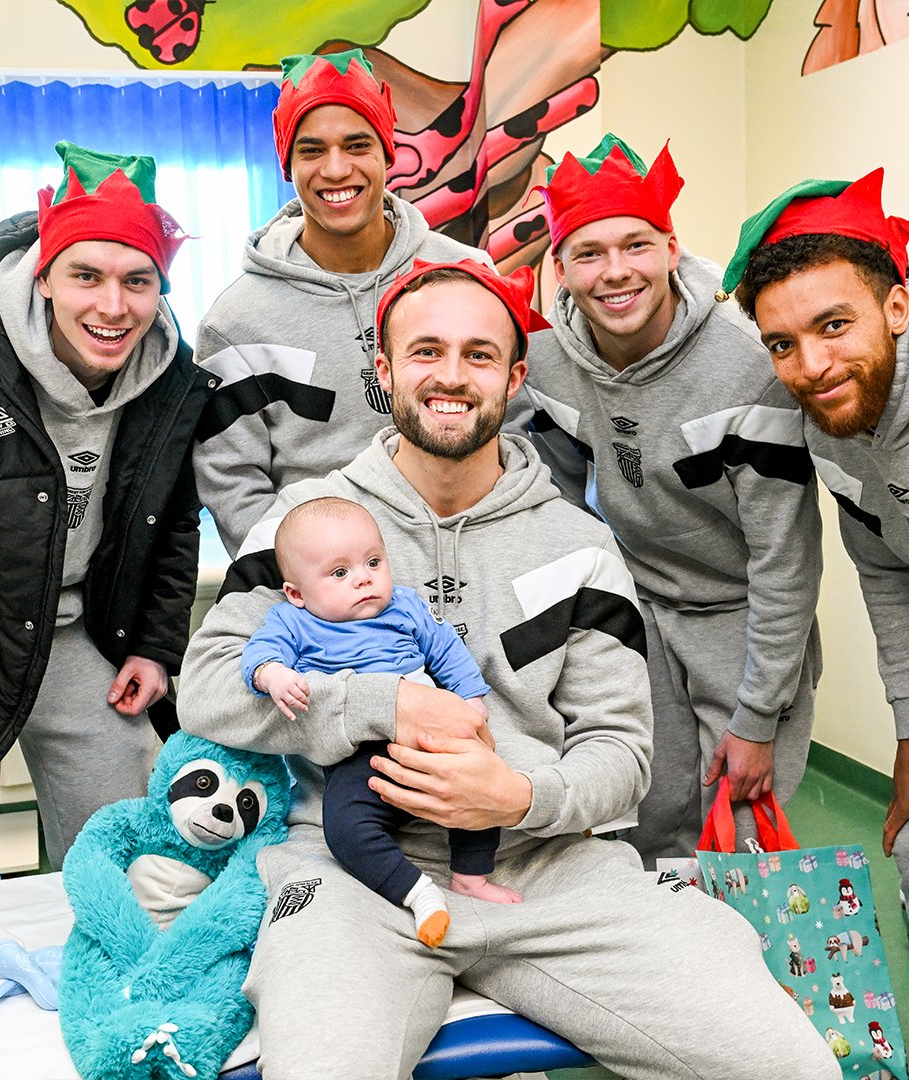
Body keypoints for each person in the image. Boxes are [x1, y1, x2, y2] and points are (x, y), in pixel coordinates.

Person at [178, 258, 841, 1079]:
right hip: (350, 873)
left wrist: (520, 797)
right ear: (384, 373)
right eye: (424, 352)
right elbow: (205, 685)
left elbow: (623, 757)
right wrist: (376, 705)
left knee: (789, 1065)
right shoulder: (305, 524)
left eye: (479, 355)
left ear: (514, 376)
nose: (450, 375)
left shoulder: (579, 545)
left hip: (548, 870)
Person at [724, 166, 909, 1080]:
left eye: (832, 326)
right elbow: (890, 575)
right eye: (782, 344)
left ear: (895, 306)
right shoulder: (832, 424)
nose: (811, 367)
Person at [523, 134, 823, 860]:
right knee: (645, 817)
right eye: (589, 254)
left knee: (741, 833)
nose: (616, 272)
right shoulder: (547, 364)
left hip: (742, 614)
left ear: (670, 247)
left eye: (635, 246)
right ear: (560, 268)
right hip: (639, 608)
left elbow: (785, 561)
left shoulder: (747, 366)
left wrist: (756, 719)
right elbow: (556, 507)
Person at [0, 141, 217, 886]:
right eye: (85, 275)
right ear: (46, 275)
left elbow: (172, 525)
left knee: (125, 858)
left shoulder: (173, 382)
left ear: (162, 287)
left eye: (137, 281)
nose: (112, 306)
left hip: (79, 633)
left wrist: (155, 647)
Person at [193, 48, 496, 557]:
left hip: (470, 559)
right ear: (288, 163)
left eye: (357, 145)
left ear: (387, 153)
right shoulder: (236, 320)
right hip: (323, 587)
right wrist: (306, 574)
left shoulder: (468, 277)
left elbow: (511, 427)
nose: (336, 169)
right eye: (311, 150)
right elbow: (230, 478)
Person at [241, 495, 520, 948]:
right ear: (297, 593)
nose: (364, 579)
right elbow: (257, 655)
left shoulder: (405, 606)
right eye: (339, 573)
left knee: (482, 785)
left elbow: (445, 648)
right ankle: (416, 892)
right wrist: (272, 674)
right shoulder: (293, 622)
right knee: (344, 825)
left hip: (428, 732)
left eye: (373, 562)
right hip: (359, 753)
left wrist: (471, 698)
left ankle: (471, 876)